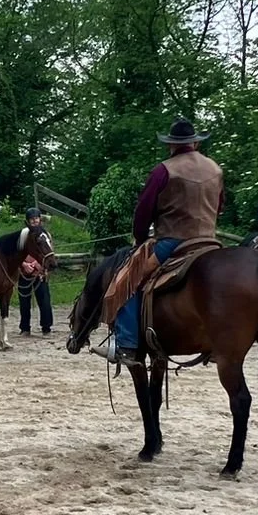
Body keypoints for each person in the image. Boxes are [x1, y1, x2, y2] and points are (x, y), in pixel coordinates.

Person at [102, 118, 225, 363]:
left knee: (128, 279)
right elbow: (220, 205)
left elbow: (144, 209)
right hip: (210, 243)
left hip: (173, 243)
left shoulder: (164, 170)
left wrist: (139, 238)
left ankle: (126, 343)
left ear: (171, 145)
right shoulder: (215, 169)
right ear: (195, 144)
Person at [17, 206, 54, 336]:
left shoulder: (45, 235)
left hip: (40, 272)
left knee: (44, 301)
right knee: (24, 302)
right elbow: (16, 254)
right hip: (24, 272)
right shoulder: (23, 235)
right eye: (32, 219)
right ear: (27, 221)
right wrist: (24, 264)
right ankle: (25, 327)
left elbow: (49, 253)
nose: (34, 221)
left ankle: (46, 327)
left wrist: (39, 265)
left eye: (36, 218)